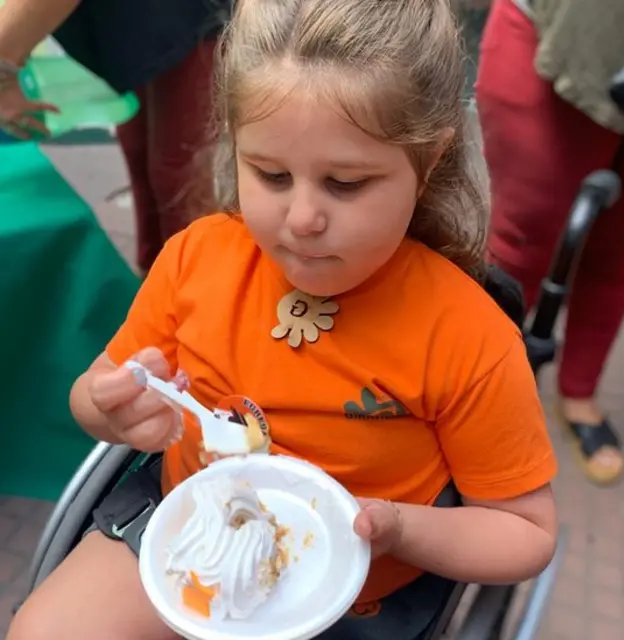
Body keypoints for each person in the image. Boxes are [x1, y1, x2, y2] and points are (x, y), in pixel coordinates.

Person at [8, 1, 558, 638]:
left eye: (346, 183)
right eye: (269, 174)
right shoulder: (195, 260)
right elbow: (93, 394)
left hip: (353, 595)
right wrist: (109, 407)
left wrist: (402, 528)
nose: (302, 219)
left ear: (429, 161)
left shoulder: (466, 334)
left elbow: (525, 530)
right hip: (192, 542)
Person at [475, 0, 624, 485]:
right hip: (560, 40)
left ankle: (578, 393)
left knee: (622, 252)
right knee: (521, 242)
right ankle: (479, 386)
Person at [0, 0, 230, 275]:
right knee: (138, 148)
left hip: (185, 15)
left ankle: (197, 294)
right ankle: (154, 278)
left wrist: (4, 68)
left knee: (178, 172)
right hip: (129, 21)